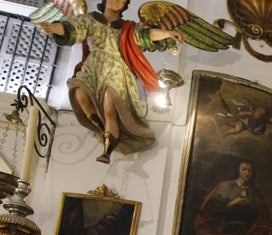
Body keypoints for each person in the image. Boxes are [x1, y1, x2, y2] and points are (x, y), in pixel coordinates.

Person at [38, 0, 185, 163]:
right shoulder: (90, 19)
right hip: (93, 68)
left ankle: (107, 150)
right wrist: (54, 28)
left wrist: (168, 34)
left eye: (121, 0)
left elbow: (146, 34)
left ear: (124, 5)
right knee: (79, 93)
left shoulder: (127, 27)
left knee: (109, 109)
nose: (117, 2)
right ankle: (104, 131)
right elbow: (72, 29)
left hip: (116, 70)